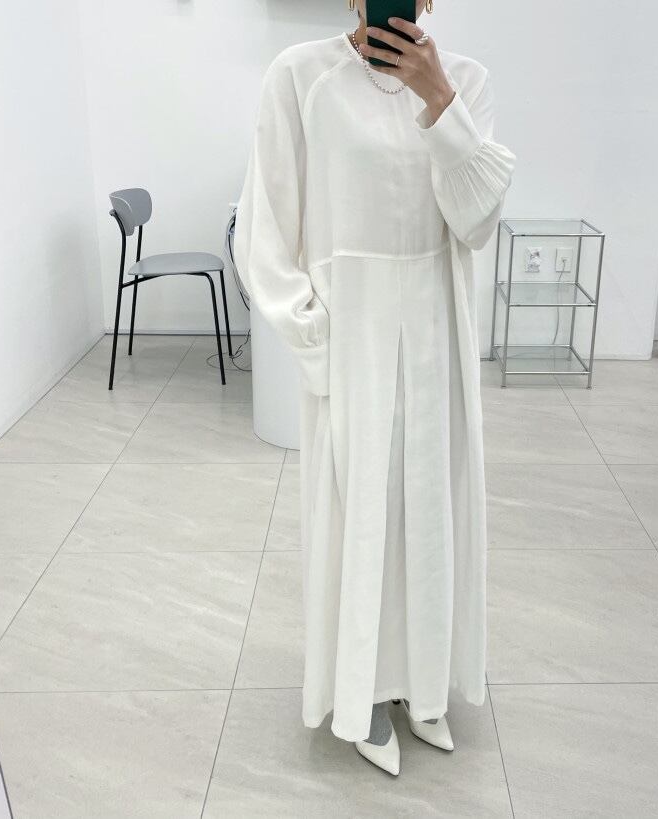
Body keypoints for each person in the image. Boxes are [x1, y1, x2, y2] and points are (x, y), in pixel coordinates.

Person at [233, 0, 516, 776]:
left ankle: (423, 685)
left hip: (435, 332)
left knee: (430, 510)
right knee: (360, 517)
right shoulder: (301, 77)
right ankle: (360, 694)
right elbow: (265, 230)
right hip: (350, 336)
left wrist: (438, 99)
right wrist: (315, 339)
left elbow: (476, 221)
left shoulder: (465, 81)